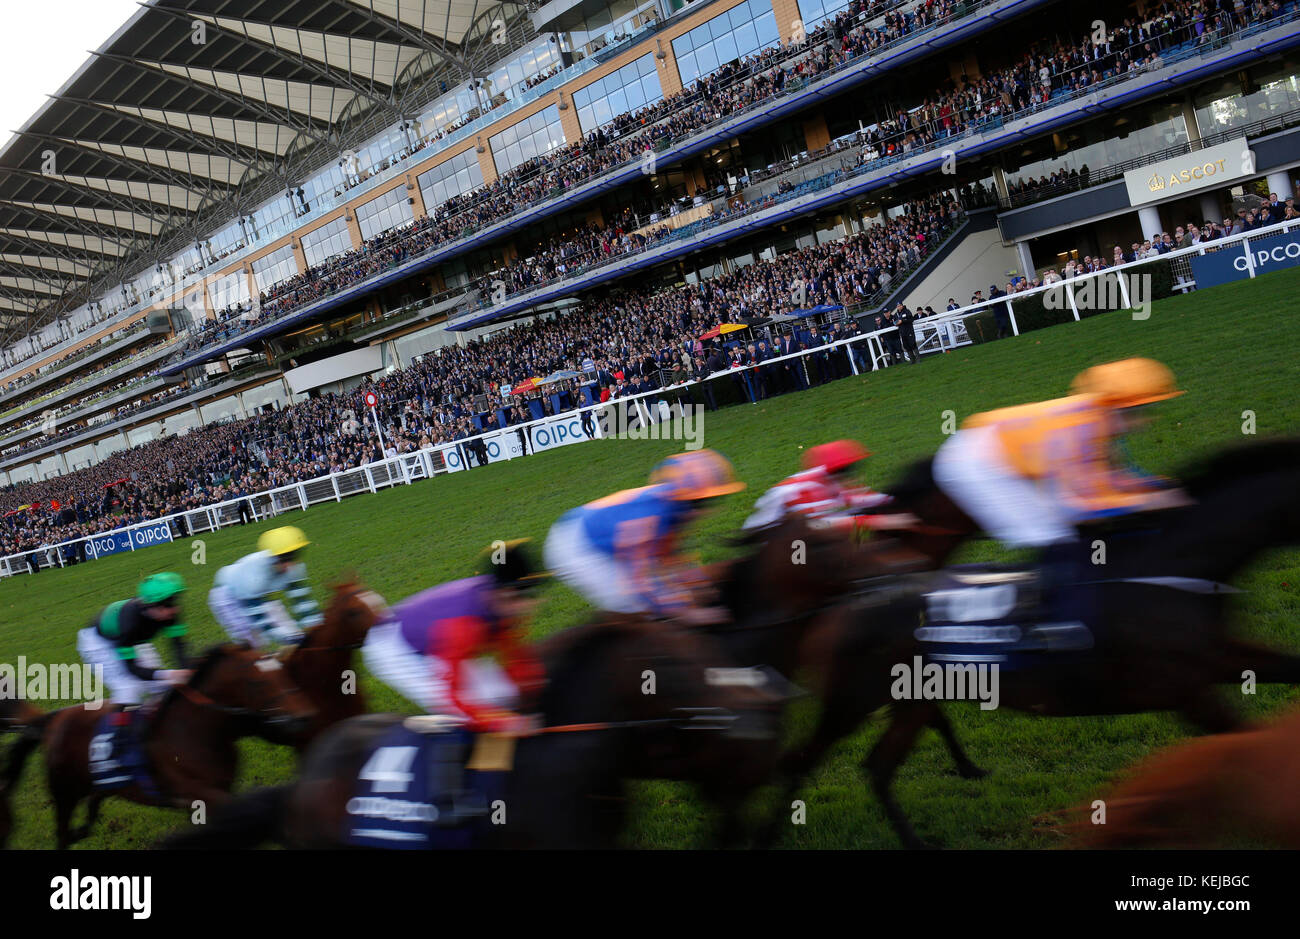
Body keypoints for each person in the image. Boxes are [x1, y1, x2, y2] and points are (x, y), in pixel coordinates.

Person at [931, 357, 1190, 617]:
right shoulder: (1076, 429)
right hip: (975, 465)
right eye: (1138, 412)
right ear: (1115, 408)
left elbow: (1116, 479)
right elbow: (1075, 506)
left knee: (1081, 528)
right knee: (1053, 533)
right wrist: (1150, 501)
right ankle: (1051, 618)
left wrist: (1159, 488)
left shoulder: (1099, 419)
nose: (1144, 421)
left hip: (1005, 452)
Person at [361, 540, 546, 733]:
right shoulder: (462, 627)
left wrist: (533, 694)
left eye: (530, 596)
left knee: (502, 693)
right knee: (459, 717)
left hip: (424, 630)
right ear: (502, 594)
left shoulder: (499, 600)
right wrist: (507, 724)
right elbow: (455, 698)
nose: (527, 606)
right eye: (520, 598)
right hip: (395, 650)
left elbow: (517, 659)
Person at [544, 449, 746, 624]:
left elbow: (673, 558)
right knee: (635, 606)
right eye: (699, 504)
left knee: (672, 589)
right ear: (682, 498)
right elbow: (641, 584)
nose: (702, 511)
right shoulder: (648, 518)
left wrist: (701, 588)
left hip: (599, 531)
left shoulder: (672, 505)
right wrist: (690, 614)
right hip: (576, 548)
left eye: (711, 502)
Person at [743, 440, 912, 534]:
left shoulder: (829, 479)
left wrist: (901, 499)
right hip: (769, 537)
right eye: (848, 470)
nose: (853, 475)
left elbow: (860, 498)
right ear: (836, 472)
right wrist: (877, 521)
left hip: (801, 526)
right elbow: (821, 525)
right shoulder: (806, 488)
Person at [77, 572, 192, 707]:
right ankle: (114, 728)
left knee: (162, 687)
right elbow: (133, 669)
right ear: (152, 606)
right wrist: (171, 674)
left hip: (132, 639)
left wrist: (186, 671)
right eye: (168, 605)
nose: (175, 609)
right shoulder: (130, 624)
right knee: (129, 692)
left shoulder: (170, 613)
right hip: (98, 643)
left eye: (175, 601)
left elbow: (179, 647)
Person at [208, 525, 323, 649]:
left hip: (260, 594)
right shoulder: (253, 576)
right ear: (271, 558)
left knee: (293, 631)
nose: (290, 565)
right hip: (227, 596)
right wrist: (288, 638)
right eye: (284, 559)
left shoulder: (294, 569)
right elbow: (261, 621)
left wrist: (318, 628)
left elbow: (304, 605)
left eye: (293, 556)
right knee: (255, 643)